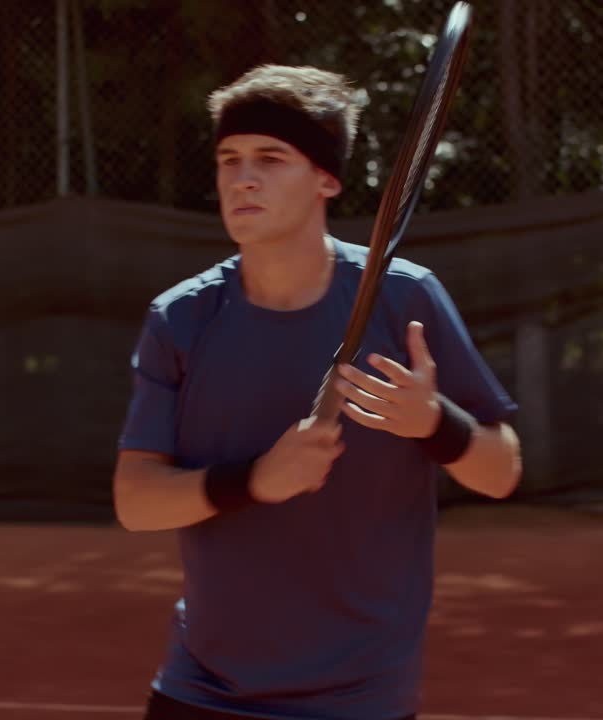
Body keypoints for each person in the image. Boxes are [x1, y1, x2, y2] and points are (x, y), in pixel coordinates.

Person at [113, 64, 522, 720]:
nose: (243, 178)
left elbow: (502, 471)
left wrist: (434, 423)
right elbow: (135, 501)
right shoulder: (180, 319)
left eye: (271, 158)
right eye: (229, 159)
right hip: (204, 686)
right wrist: (254, 481)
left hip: (359, 697)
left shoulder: (406, 299)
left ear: (326, 179)